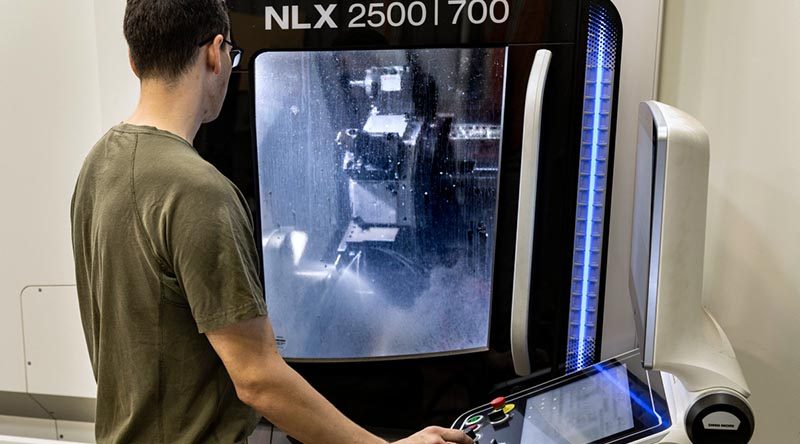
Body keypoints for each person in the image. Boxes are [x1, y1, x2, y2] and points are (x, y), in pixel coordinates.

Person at [69, 0, 474, 443]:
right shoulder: (197, 190)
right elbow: (257, 377)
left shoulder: (98, 164)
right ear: (214, 53)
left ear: (133, 59)